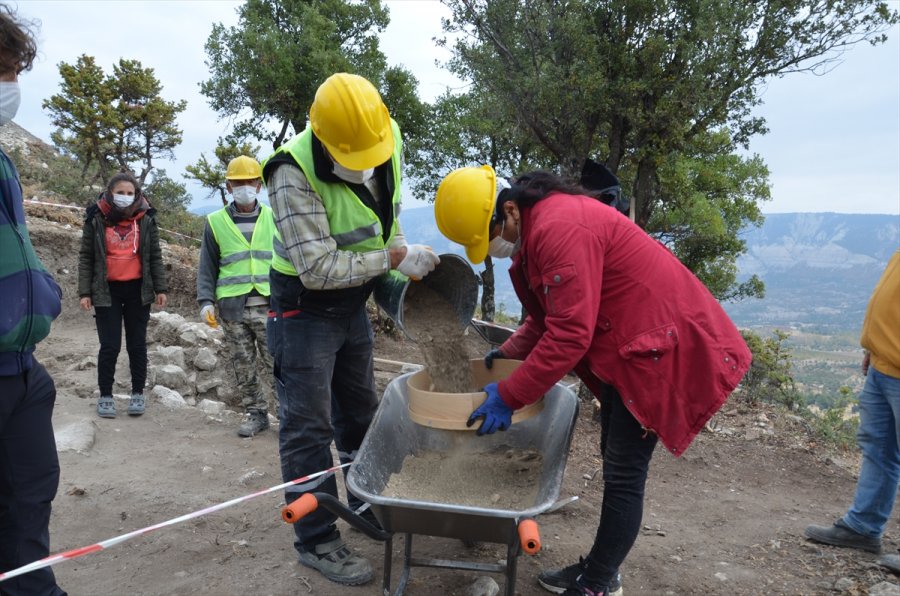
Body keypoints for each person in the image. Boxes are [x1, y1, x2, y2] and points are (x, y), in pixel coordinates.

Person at [434, 165, 752, 596]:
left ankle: (600, 582)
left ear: (509, 209)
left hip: (656, 352)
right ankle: (600, 569)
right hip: (634, 346)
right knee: (615, 459)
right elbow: (548, 317)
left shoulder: (559, 229)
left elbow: (569, 335)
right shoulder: (542, 225)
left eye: (491, 232)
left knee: (624, 474)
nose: (494, 244)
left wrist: (508, 396)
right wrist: (508, 354)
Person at [262, 72, 440, 586]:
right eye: (353, 158)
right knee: (308, 428)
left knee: (359, 412)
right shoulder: (290, 172)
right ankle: (317, 538)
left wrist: (400, 261)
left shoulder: (386, 137)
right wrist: (393, 258)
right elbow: (317, 269)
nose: (367, 166)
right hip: (304, 310)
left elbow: (388, 214)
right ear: (323, 137)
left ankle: (365, 503)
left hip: (353, 303)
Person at [0, 5, 67, 594]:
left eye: (14, 71)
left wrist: (45, 293)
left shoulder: (2, 162)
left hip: (22, 370)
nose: (11, 87)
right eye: (2, 71)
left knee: (32, 490)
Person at [804, 251, 900, 569]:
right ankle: (863, 527)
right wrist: (874, 347)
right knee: (878, 450)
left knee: (882, 451)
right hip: (883, 366)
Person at [197, 155, 277, 437]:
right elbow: (207, 266)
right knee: (244, 366)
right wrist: (205, 301)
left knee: (277, 364)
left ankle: (288, 416)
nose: (244, 187)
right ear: (229, 187)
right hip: (233, 308)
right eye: (238, 183)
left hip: (270, 306)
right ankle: (256, 414)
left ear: (259, 184)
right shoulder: (216, 222)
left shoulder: (274, 217)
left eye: (249, 182)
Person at [78, 171, 168, 418]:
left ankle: (137, 393)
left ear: (137, 195)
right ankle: (105, 395)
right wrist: (85, 291)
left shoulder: (146, 218)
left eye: (130, 193)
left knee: (137, 345)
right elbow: (86, 257)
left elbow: (155, 256)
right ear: (110, 193)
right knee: (110, 345)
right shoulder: (95, 217)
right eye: (120, 193)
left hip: (138, 290)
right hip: (107, 291)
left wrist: (160, 288)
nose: (125, 197)